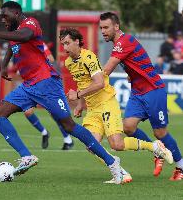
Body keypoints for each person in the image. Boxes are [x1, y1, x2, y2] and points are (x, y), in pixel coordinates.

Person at [0, 1, 125, 184]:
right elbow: (13, 46)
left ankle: (112, 162)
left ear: (16, 13)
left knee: (69, 126)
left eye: (5, 16)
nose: (3, 20)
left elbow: (24, 36)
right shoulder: (14, 32)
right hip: (28, 86)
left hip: (46, 83)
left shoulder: (30, 23)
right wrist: (4, 65)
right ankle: (26, 156)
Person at [59, 28, 173, 183]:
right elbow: (82, 83)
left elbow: (99, 83)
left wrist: (77, 95)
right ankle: (121, 173)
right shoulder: (68, 63)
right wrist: (80, 104)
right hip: (92, 109)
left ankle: (154, 147)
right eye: (62, 44)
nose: (64, 48)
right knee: (91, 145)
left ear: (77, 41)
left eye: (67, 43)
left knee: (117, 144)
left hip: (106, 103)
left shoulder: (89, 57)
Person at [99, 12, 183, 181]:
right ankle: (156, 150)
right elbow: (138, 62)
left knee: (160, 132)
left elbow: (107, 70)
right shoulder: (120, 43)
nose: (103, 31)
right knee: (128, 127)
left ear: (117, 26)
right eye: (101, 28)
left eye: (106, 27)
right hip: (137, 92)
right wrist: (133, 74)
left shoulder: (125, 41)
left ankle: (181, 166)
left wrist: (87, 84)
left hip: (153, 90)